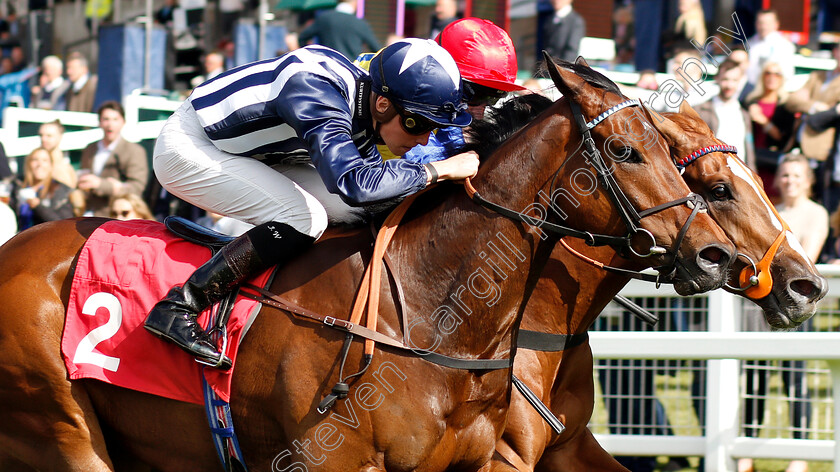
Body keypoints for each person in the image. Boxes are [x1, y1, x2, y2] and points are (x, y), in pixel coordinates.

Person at [143, 39, 479, 369]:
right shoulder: (316, 89)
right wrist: (438, 169)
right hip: (189, 147)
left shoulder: (364, 112)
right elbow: (353, 184)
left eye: (435, 128)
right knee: (306, 218)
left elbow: (371, 196)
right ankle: (179, 306)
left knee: (359, 212)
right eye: (418, 124)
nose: (424, 139)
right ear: (382, 105)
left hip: (257, 153)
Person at [738, 152, 827, 472]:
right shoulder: (770, 211)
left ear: (808, 181)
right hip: (762, 305)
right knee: (754, 380)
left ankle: (799, 455)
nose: (790, 181)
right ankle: (745, 451)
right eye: (786, 175)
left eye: (796, 176)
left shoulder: (816, 214)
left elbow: (805, 259)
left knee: (795, 381)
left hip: (795, 306)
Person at [397, 18, 526, 164]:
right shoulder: (402, 84)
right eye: (477, 96)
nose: (482, 111)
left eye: (492, 99)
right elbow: (412, 160)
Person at [78, 101, 149, 217]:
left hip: (115, 216)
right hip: (88, 213)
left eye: (115, 119)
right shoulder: (90, 148)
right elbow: (83, 174)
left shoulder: (134, 151)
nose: (110, 124)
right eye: (106, 119)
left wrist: (101, 185)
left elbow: (136, 188)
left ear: (123, 122)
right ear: (100, 122)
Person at [745, 62, 796, 197]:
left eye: (777, 74)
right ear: (762, 76)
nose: (772, 77)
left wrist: (763, 121)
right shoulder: (750, 101)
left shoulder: (786, 106)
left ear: (782, 78)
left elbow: (784, 138)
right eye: (768, 73)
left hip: (771, 163)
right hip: (749, 159)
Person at [695, 58, 756, 169]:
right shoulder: (700, 110)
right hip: (712, 172)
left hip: (739, 173)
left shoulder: (744, 113)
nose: (729, 85)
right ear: (717, 79)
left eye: (734, 80)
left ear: (741, 81)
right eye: (725, 79)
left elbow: (749, 149)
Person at [10, 147, 75, 230]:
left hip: (46, 239)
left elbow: (65, 224)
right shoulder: (17, 186)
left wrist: (38, 206)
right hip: (18, 239)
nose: (39, 164)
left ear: (51, 165)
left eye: (44, 160)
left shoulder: (60, 189)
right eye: (35, 160)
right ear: (28, 164)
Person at [294, 0, 380, 60]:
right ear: (354, 2)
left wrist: (313, 55)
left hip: (327, 68)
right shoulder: (360, 23)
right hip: (351, 70)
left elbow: (302, 37)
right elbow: (376, 49)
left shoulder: (324, 18)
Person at [745, 9, 797, 86]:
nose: (763, 27)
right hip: (750, 88)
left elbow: (787, 74)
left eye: (767, 23)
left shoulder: (785, 45)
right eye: (760, 23)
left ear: (776, 24)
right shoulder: (749, 43)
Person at [38, 120, 78, 188]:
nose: (43, 139)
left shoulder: (63, 167)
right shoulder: (34, 161)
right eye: (41, 135)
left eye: (49, 136)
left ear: (60, 136)